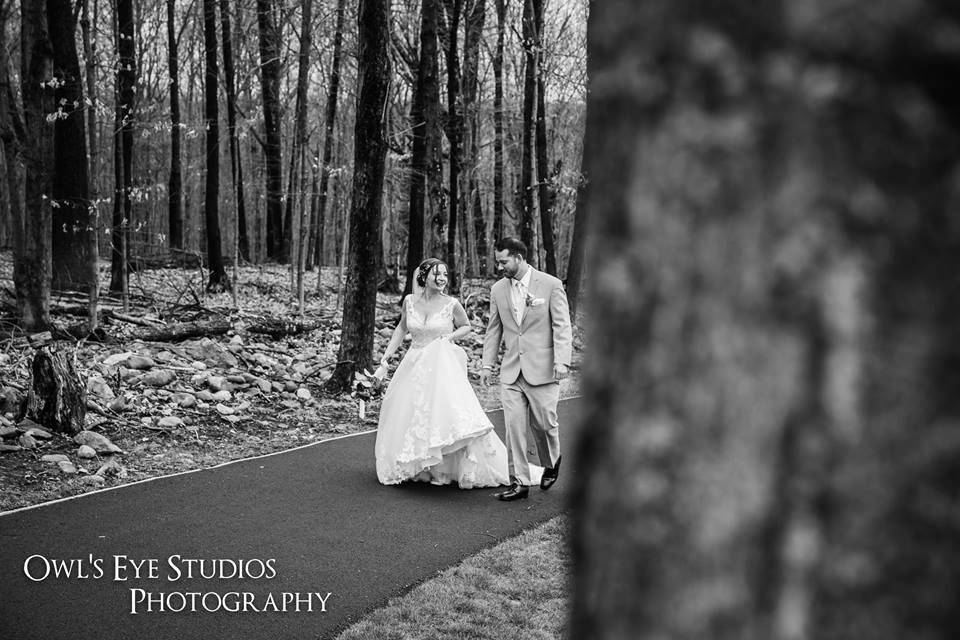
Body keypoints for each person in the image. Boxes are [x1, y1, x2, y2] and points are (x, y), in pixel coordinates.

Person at [373, 258, 513, 488]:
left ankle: (445, 468)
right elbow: (401, 328)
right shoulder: (409, 301)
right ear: (424, 276)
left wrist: (449, 337)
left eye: (445, 275)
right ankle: (418, 465)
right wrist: (387, 355)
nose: (442, 279)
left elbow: (466, 326)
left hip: (441, 366)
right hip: (414, 363)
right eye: (437, 274)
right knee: (410, 412)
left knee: (442, 415)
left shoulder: (452, 303)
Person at [481, 237, 572, 501]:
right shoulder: (498, 289)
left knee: (544, 423)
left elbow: (562, 326)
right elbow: (493, 329)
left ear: (519, 258)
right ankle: (519, 482)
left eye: (503, 261)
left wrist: (562, 361)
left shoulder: (551, 285)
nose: (500, 267)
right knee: (514, 428)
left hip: (543, 368)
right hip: (511, 372)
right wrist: (487, 364)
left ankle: (551, 460)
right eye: (498, 261)